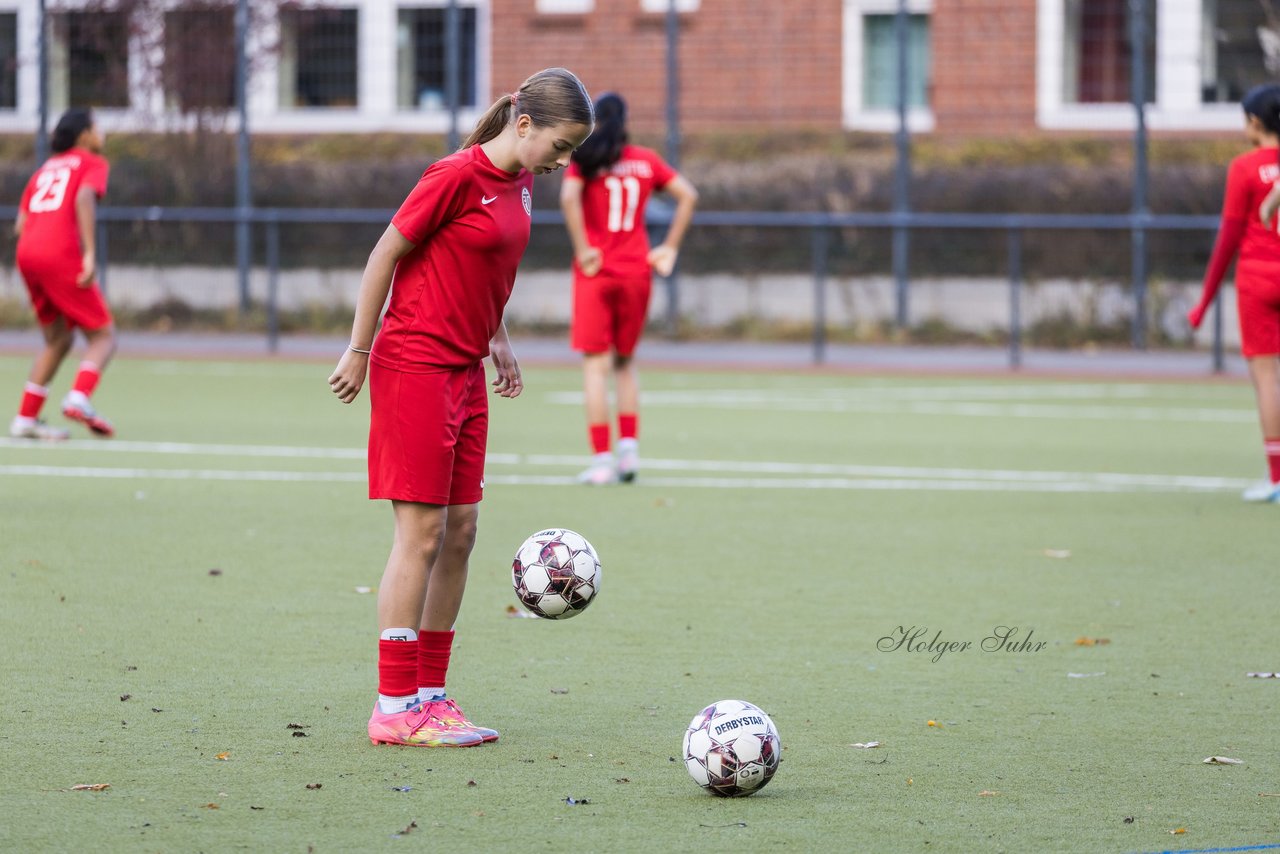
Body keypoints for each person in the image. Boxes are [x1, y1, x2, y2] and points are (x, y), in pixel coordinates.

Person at [327, 68, 594, 747]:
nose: (563, 163)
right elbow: (385, 254)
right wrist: (358, 350)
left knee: (463, 531)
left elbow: (484, 270)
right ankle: (392, 708)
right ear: (524, 124)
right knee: (419, 534)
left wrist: (497, 339)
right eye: (559, 146)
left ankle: (431, 695)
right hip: (413, 366)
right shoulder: (452, 176)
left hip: (465, 372)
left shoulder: (523, 183)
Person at [559, 92, 697, 485]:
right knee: (625, 363)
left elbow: (568, 199)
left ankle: (602, 458)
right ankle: (629, 452)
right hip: (637, 271)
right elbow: (689, 196)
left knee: (594, 366)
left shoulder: (585, 160)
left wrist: (584, 248)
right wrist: (668, 247)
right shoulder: (646, 160)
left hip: (597, 271)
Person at [1188, 83, 1280, 503]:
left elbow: (1228, 239)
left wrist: (1204, 301)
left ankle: (1277, 478)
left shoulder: (1245, 168)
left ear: (1255, 123)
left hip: (1258, 279)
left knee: (1267, 378)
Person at [10, 108, 116, 441]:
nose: (102, 135)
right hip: (59, 253)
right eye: (98, 128)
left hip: (28, 254)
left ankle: (25, 419)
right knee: (103, 336)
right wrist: (89, 253)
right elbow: (84, 196)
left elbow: (20, 224)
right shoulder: (91, 162)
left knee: (58, 339)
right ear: (84, 135)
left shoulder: (45, 168)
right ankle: (79, 397)